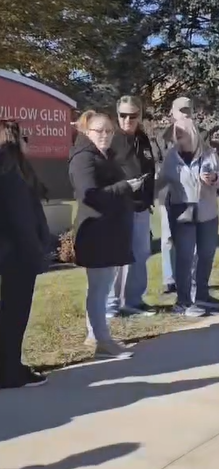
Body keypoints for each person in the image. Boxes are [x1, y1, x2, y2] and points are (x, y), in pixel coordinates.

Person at [69, 112, 142, 360]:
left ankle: (96, 334)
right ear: (87, 132)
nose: (105, 135)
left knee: (101, 287)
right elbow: (88, 195)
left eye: (109, 131)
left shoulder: (105, 156)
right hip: (95, 232)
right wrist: (125, 187)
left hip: (109, 231)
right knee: (99, 289)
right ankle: (102, 342)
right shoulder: (83, 158)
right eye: (99, 131)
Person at [0, 121, 50, 388]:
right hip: (17, 255)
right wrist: (36, 254)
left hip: (11, 253)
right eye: (24, 138)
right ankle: (10, 372)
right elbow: (22, 221)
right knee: (15, 314)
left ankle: (8, 366)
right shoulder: (12, 174)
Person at [156, 118, 219, 318]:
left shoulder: (209, 153)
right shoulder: (172, 156)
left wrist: (214, 178)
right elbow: (161, 181)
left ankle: (202, 295)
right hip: (182, 210)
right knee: (185, 256)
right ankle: (183, 301)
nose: (178, 137)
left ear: (193, 132)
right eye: (176, 133)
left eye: (182, 132)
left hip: (207, 211)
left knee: (206, 253)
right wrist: (148, 197)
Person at [108, 96, 156, 318]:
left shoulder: (143, 139)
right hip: (119, 206)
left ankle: (134, 301)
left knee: (141, 254)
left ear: (140, 116)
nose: (127, 120)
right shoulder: (111, 138)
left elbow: (149, 168)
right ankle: (111, 304)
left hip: (141, 205)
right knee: (117, 255)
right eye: (123, 115)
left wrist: (149, 198)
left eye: (133, 115)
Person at [155, 97, 194, 294]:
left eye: (187, 110)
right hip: (168, 193)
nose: (184, 114)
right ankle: (169, 279)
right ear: (173, 112)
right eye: (181, 110)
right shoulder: (162, 137)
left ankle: (189, 278)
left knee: (191, 238)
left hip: (192, 196)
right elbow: (157, 161)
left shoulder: (199, 135)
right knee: (168, 237)